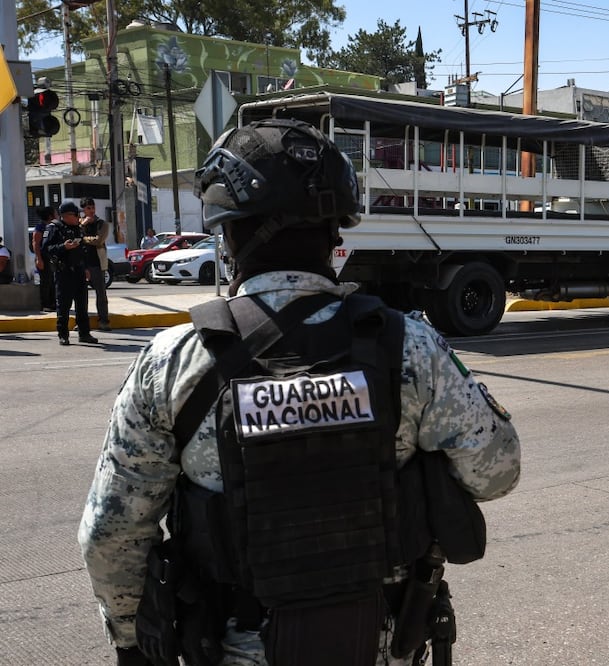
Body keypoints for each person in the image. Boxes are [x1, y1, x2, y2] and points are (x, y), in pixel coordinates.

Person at [78, 118, 521, 666]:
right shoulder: (409, 348)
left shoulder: (173, 362)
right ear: (336, 233)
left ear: (231, 235)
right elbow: (496, 471)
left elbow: (111, 534)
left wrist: (131, 644)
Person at [42, 201, 98, 345]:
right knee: (64, 305)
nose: (78, 217)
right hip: (64, 271)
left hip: (79, 271)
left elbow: (83, 250)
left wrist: (85, 268)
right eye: (75, 214)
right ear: (66, 216)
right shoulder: (54, 228)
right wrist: (63, 247)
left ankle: (84, 334)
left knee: (82, 304)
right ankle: (63, 335)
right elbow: (46, 248)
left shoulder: (77, 229)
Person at [79, 197, 111, 331]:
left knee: (101, 294)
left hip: (97, 263)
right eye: (88, 208)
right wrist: (82, 226)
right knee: (80, 295)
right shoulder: (79, 224)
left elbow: (98, 240)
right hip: (82, 263)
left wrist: (84, 239)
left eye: (93, 207)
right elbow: (75, 237)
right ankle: (81, 322)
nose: (91, 210)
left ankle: (103, 320)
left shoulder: (102, 224)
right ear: (83, 210)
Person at [33, 205, 57, 310]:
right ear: (50, 216)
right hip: (43, 257)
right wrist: (39, 259)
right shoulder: (40, 227)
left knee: (52, 281)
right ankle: (45, 304)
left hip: (51, 258)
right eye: (55, 213)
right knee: (46, 282)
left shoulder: (53, 226)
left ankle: (52, 303)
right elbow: (36, 243)